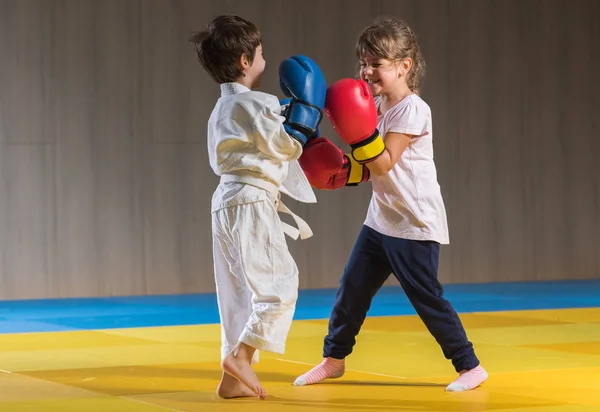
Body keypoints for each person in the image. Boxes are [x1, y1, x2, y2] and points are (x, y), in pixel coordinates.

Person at [295, 15, 488, 392]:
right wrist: (341, 173)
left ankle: (470, 366)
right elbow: (372, 171)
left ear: (404, 66)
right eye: (363, 63)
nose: (366, 72)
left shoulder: (413, 110)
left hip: (414, 224)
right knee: (351, 289)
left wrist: (358, 136)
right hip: (381, 219)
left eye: (376, 64)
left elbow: (384, 161)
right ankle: (334, 359)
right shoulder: (377, 107)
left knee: (426, 298)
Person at [189, 15, 326, 399]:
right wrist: (304, 118)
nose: (265, 57)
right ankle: (242, 356)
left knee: (236, 294)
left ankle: (232, 381)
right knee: (280, 286)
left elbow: (260, 136)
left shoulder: (225, 108)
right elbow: (285, 146)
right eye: (261, 52)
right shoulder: (257, 103)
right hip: (251, 201)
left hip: (225, 203)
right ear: (246, 61)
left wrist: (283, 111)